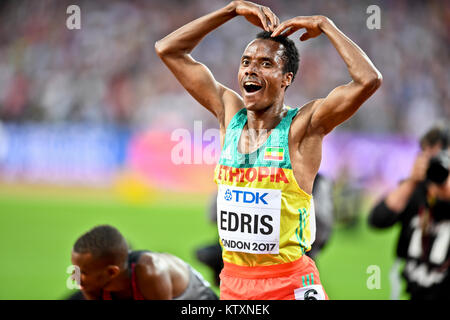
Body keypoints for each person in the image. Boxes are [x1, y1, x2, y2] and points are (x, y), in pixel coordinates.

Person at [155, 0, 382, 300]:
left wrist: (326, 26)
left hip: (290, 285)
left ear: (287, 78)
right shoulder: (229, 115)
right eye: (246, 61)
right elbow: (168, 50)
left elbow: (368, 80)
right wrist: (231, 10)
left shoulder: (303, 127)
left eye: (266, 64)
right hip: (234, 283)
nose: (251, 70)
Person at [196, 172, 334, 285]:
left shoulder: (243, 174)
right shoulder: (317, 181)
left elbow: (214, 214)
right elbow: (323, 231)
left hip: (258, 261)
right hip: (289, 260)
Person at [368, 125, 450, 300]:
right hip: (415, 290)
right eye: (428, 156)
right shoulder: (416, 191)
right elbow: (378, 219)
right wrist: (412, 181)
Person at [69, 225, 218, 300]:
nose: (74, 278)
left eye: (83, 272)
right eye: (74, 269)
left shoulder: (151, 272)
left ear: (111, 272)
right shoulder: (90, 285)